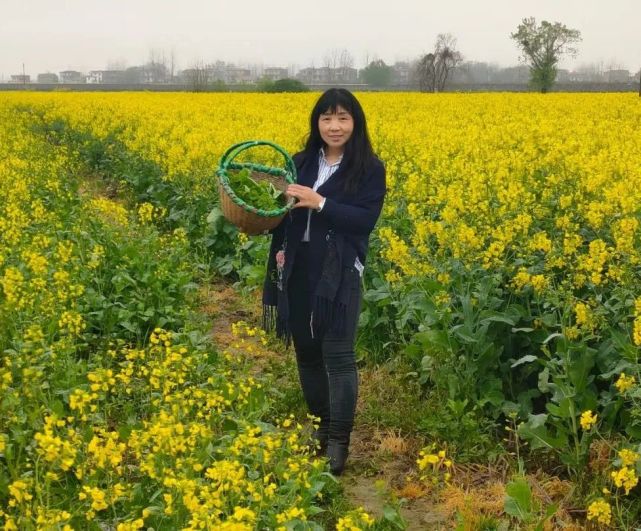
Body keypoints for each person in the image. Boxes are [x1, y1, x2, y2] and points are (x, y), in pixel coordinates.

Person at [262, 88, 386, 475]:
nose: (335, 126)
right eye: (327, 118)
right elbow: (279, 214)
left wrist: (322, 203)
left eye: (343, 118)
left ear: (356, 123)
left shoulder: (368, 169)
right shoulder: (298, 163)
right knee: (307, 354)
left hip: (339, 274)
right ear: (317, 123)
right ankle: (320, 427)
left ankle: (338, 442)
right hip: (296, 268)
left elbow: (364, 221)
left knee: (338, 356)